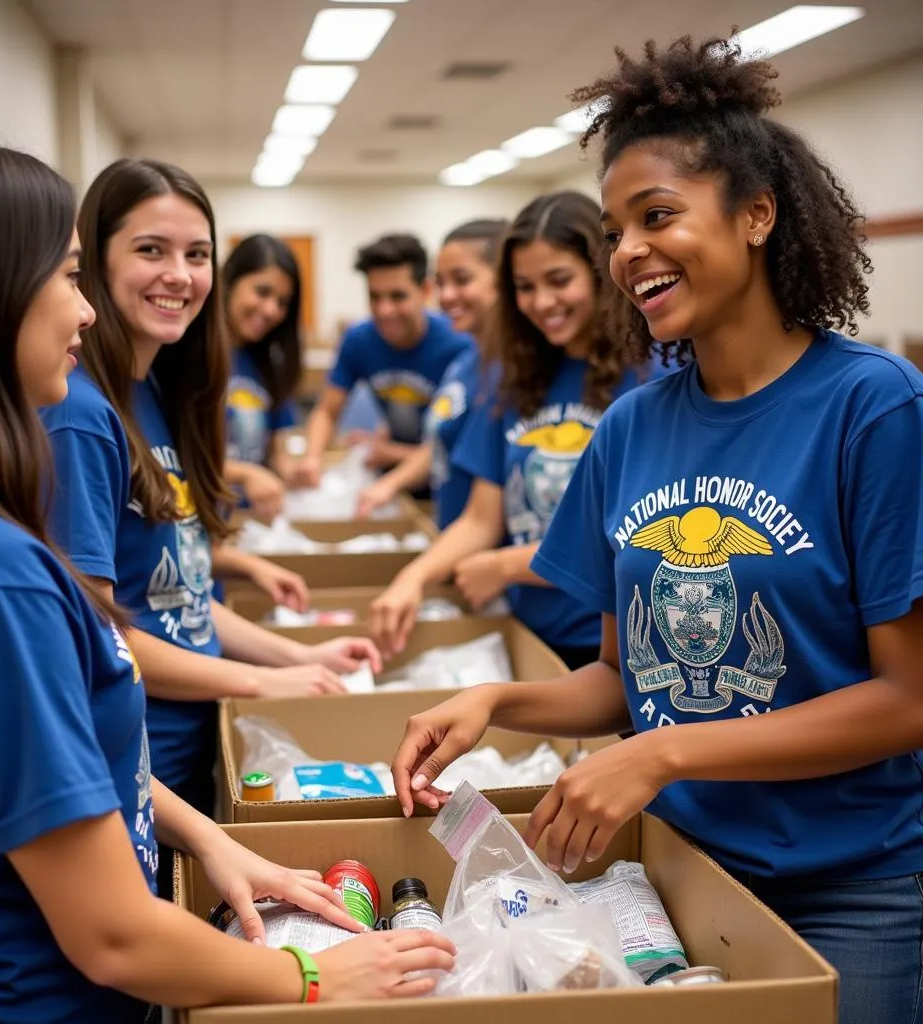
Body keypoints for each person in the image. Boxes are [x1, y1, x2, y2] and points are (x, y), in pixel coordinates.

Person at [391, 35, 923, 1024]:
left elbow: (905, 699)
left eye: (658, 216)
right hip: (676, 872)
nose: (629, 250)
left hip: (851, 884)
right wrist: (494, 699)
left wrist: (664, 751)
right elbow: (619, 679)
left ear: (758, 214)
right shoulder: (632, 426)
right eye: (615, 230)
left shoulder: (872, 407)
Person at [0, 133, 454, 1024]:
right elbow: (111, 934)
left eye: (196, 254)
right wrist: (312, 981)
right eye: (68, 277)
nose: (84, 314)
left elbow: (63, 759)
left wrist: (209, 841)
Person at [40, 158, 381, 899]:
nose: (180, 275)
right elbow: (101, 638)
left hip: (195, 747)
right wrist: (267, 679)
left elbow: (182, 599)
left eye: (197, 255)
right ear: (94, 261)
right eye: (150, 250)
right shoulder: (81, 414)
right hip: (142, 764)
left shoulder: (157, 390)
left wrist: (300, 656)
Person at [371, 192, 645, 667]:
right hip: (529, 633)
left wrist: (504, 565)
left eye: (559, 280)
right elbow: (482, 518)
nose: (542, 302)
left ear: (601, 273)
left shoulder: (649, 376)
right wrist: (410, 580)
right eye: (524, 286)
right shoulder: (511, 377)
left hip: (615, 644)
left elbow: (631, 536)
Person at [357, 219, 507, 528]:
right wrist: (391, 484)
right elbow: (440, 448)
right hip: (452, 534)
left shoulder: (512, 372)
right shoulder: (465, 365)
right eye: (441, 283)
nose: (447, 296)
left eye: (462, 280)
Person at [292, 232, 474, 489]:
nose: (384, 310)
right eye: (375, 297)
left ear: (425, 291)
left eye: (397, 297)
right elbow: (327, 410)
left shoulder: (458, 345)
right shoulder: (359, 340)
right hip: (394, 474)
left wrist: (391, 453)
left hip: (445, 478)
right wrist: (312, 458)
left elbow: (459, 447)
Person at [221, 233, 302, 524]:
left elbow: (275, 450)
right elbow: (173, 459)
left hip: (248, 522)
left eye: (282, 302)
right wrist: (245, 473)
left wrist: (290, 471)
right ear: (229, 281)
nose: (271, 310)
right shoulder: (190, 357)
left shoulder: (268, 364)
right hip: (198, 525)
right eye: (262, 292)